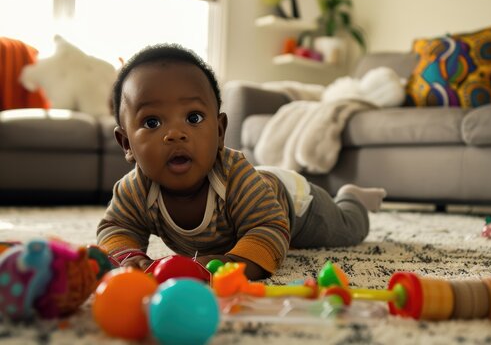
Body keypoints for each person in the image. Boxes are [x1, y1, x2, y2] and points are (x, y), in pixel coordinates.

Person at [97, 44, 387, 280]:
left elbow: (269, 228)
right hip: (256, 191)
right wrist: (129, 258)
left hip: (293, 203)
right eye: (152, 122)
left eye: (193, 118)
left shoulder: (233, 176)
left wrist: (232, 262)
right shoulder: (134, 190)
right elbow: (116, 229)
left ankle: (352, 198)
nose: (175, 134)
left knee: (347, 229)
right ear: (127, 144)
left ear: (220, 131)